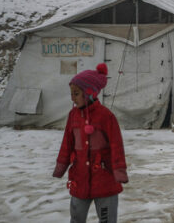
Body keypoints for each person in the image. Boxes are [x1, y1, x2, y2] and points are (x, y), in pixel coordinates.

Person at [52, 63, 128, 222]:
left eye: (76, 93)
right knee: (76, 219)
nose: (72, 97)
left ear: (89, 93)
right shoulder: (73, 116)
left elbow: (116, 145)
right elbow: (67, 144)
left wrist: (119, 170)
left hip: (105, 180)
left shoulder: (106, 116)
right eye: (71, 93)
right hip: (79, 180)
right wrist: (61, 166)